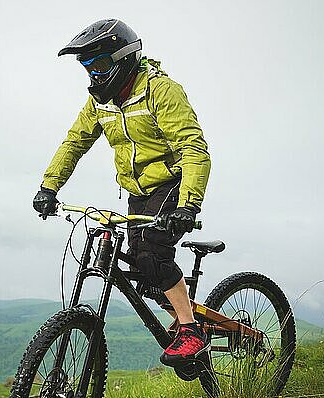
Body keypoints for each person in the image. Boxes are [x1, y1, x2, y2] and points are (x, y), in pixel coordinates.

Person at [32, 19, 211, 366]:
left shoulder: (161, 91)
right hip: (135, 189)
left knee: (152, 256)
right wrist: (48, 186)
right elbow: (75, 142)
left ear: (124, 58)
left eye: (99, 66)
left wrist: (188, 205)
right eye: (87, 69)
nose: (94, 76)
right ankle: (174, 299)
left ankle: (191, 331)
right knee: (144, 268)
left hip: (171, 183)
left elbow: (193, 149)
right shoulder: (101, 103)